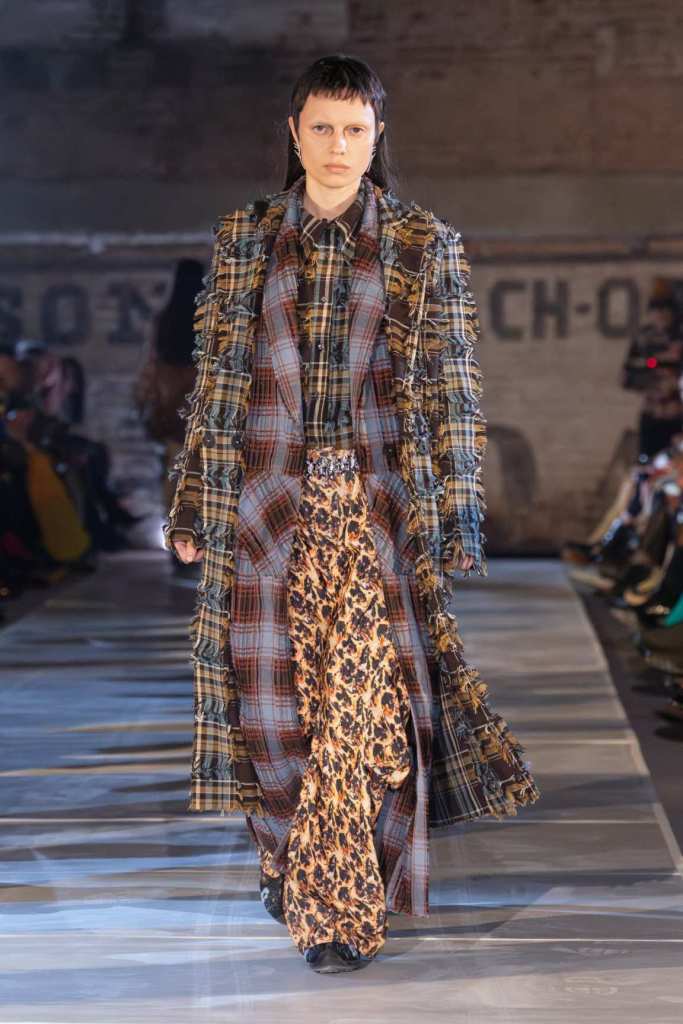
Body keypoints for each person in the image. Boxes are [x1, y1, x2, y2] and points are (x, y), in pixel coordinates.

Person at [164, 54, 540, 974]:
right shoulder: (246, 237)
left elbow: (449, 387)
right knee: (270, 720)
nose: (339, 146)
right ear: (293, 134)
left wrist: (455, 518)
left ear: (378, 138)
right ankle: (289, 859)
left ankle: (338, 908)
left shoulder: (418, 243)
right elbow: (218, 382)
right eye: (322, 128)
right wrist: (192, 503)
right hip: (263, 509)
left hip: (374, 514)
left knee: (366, 718)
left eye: (356, 130)